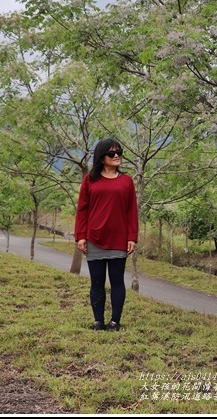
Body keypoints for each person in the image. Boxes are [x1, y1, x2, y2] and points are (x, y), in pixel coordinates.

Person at [74, 138, 138, 331]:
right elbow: (82, 210)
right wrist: (81, 236)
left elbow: (131, 211)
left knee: (117, 280)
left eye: (119, 152)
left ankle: (115, 321)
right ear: (102, 157)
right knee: (97, 282)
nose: (116, 155)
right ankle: (98, 321)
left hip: (119, 239)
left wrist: (132, 237)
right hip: (94, 238)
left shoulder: (127, 181)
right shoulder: (90, 180)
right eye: (112, 153)